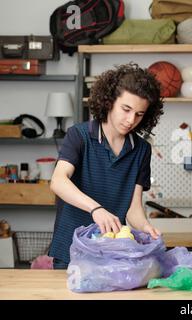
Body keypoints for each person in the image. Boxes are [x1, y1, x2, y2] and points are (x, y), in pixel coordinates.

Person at [48, 63, 164, 269]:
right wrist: (96, 209)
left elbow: (133, 208)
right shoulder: (79, 135)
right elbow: (58, 181)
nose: (131, 120)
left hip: (112, 253)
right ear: (109, 101)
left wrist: (145, 227)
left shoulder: (142, 150)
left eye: (139, 114)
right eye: (126, 109)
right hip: (71, 250)